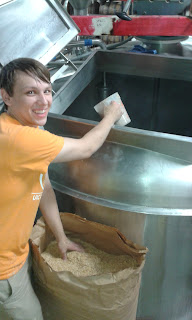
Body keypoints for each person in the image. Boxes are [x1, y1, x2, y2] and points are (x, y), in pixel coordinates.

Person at [0, 57, 123, 320]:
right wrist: (112, 116)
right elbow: (86, 148)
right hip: (3, 269)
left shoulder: (14, 127)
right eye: (30, 92)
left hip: (15, 254)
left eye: (47, 90)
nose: (43, 101)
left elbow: (43, 188)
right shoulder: (23, 139)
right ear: (6, 97)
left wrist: (61, 237)